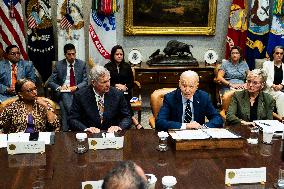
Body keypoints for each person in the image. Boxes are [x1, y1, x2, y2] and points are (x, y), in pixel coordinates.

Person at [68, 65, 131, 133]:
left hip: (111, 135)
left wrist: (119, 127)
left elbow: (127, 117)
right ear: (93, 83)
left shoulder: (117, 94)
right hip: (90, 135)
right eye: (103, 82)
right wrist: (86, 129)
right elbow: (72, 119)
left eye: (108, 80)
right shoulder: (80, 95)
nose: (108, 85)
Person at [156, 70, 223, 131]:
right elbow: (160, 122)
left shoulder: (203, 97)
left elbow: (217, 118)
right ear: (179, 84)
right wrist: (186, 126)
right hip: (177, 133)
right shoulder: (170, 98)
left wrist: (203, 127)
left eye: (191, 87)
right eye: (184, 86)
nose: (187, 90)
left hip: (197, 135)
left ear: (197, 86)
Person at [48, 43, 88, 131]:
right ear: (65, 55)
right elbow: (50, 82)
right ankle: (75, 118)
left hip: (77, 91)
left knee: (62, 104)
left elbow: (85, 81)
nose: (72, 56)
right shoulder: (59, 65)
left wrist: (76, 87)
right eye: (69, 54)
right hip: (63, 91)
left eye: (73, 54)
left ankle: (66, 129)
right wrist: (59, 88)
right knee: (65, 94)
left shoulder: (82, 64)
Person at [105, 45, 143, 129]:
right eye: (117, 54)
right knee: (120, 96)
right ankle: (133, 119)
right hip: (111, 92)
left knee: (122, 96)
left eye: (121, 54)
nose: (119, 56)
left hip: (125, 92)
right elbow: (106, 82)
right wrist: (115, 86)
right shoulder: (107, 67)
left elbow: (131, 82)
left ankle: (129, 119)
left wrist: (125, 87)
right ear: (113, 55)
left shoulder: (127, 66)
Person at [262, 46, 284, 117]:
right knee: (281, 95)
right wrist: (272, 85)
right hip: (270, 89)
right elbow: (265, 78)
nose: (279, 55)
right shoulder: (267, 64)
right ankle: (282, 118)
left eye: (281, 53)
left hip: (281, 88)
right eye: (277, 53)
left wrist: (282, 85)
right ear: (273, 54)